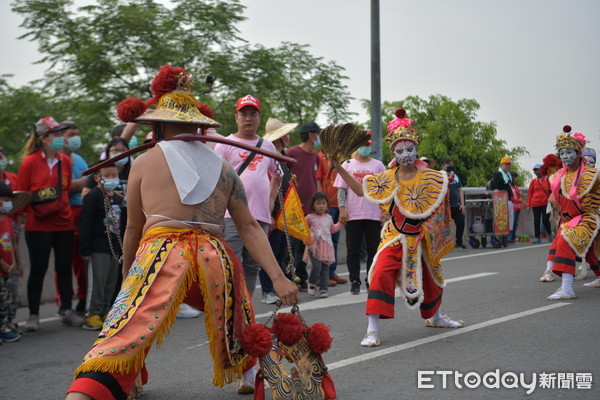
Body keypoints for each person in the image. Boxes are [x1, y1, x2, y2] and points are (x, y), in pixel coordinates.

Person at [66, 66, 299, 400]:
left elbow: (133, 227)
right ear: (199, 124)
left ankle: (88, 392)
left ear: (159, 124)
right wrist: (278, 277)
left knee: (130, 322)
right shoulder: (224, 167)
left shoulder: (145, 162)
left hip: (161, 254)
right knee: (241, 316)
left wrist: (129, 273)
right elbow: (248, 226)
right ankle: (252, 374)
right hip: (214, 257)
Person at [331, 109, 463, 348]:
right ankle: (372, 329)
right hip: (395, 235)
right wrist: (338, 168)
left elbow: (439, 212)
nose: (405, 154)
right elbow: (361, 190)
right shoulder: (388, 176)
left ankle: (437, 317)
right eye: (400, 150)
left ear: (416, 149)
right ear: (393, 153)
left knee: (434, 277)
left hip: (422, 237)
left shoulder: (432, 177)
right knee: (380, 273)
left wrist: (430, 231)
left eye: (409, 149)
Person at [18, 117, 83, 331]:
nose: (59, 138)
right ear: (44, 138)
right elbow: (23, 194)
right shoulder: (29, 162)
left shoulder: (65, 161)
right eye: (56, 134)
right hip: (38, 225)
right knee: (38, 268)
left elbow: (66, 187)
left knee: (64, 268)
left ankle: (66, 309)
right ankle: (33, 315)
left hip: (63, 223)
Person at [214, 95, 283, 296]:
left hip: (259, 215)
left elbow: (277, 175)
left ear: (259, 118)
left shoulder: (268, 146)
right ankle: (231, 307)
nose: (248, 119)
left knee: (253, 265)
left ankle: (247, 308)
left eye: (253, 114)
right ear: (236, 117)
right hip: (231, 216)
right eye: (243, 114)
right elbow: (217, 181)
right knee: (231, 264)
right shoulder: (224, 144)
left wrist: (271, 201)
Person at [542, 126, 600, 300]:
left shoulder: (593, 175)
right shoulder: (559, 176)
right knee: (588, 252)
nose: (565, 156)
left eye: (569, 152)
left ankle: (567, 288)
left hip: (588, 218)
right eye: (563, 153)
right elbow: (553, 199)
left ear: (577, 153)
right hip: (568, 220)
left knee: (566, 239)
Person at [333, 137, 385, 294]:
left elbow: (384, 190)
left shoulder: (378, 165)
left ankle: (371, 280)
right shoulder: (347, 165)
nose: (365, 147)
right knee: (353, 250)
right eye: (361, 144)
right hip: (353, 214)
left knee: (373, 250)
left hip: (373, 213)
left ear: (371, 145)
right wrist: (342, 209)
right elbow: (342, 189)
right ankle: (354, 281)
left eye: (367, 144)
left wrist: (384, 210)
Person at [78, 162, 123, 330]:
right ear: (97, 178)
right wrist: (85, 248)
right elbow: (86, 224)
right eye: (107, 176)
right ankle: (92, 314)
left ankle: (105, 310)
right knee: (97, 281)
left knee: (110, 281)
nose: (111, 179)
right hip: (98, 247)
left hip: (114, 248)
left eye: (114, 175)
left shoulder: (118, 198)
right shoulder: (93, 197)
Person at [259, 117, 297, 304]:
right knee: (270, 253)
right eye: (286, 135)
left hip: (284, 213)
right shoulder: (268, 157)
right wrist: (269, 215)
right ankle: (267, 290)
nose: (289, 138)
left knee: (280, 251)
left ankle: (279, 286)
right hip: (272, 212)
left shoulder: (281, 157)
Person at [286, 121, 323, 289]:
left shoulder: (315, 155)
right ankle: (288, 276)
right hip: (295, 208)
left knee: (305, 246)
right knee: (291, 245)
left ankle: (301, 277)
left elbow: (316, 179)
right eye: (318, 133)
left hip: (311, 209)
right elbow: (284, 179)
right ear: (311, 134)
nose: (319, 137)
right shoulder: (292, 153)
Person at [59, 121, 89, 313]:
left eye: (77, 134)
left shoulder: (79, 159)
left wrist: (76, 184)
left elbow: (88, 182)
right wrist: (78, 183)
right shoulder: (56, 160)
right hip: (63, 212)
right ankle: (63, 300)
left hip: (81, 211)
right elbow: (64, 187)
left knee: (81, 258)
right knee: (63, 260)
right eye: (71, 134)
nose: (75, 138)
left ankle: (83, 297)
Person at [0, 146, 23, 332]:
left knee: (8, 296)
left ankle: (8, 324)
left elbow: (14, 242)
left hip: (10, 267)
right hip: (2, 267)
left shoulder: (8, 220)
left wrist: (16, 262)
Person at [304, 192, 344, 298]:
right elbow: (304, 230)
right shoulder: (309, 218)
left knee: (325, 269)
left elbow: (333, 229)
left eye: (323, 203)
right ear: (313, 205)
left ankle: (323, 289)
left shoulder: (329, 217)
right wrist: (310, 235)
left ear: (327, 205)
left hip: (327, 246)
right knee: (316, 267)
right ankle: (312, 282)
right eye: (318, 203)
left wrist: (341, 223)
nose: (321, 206)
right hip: (314, 247)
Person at [316, 150, 346, 284]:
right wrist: (321, 202)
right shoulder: (321, 156)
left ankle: (331, 272)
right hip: (326, 205)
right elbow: (318, 179)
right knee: (323, 241)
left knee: (334, 240)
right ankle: (320, 275)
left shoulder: (342, 157)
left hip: (338, 204)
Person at [440, 157, 466, 249]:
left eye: (451, 164)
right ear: (443, 165)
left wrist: (462, 204)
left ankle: (459, 242)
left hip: (456, 205)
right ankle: (443, 244)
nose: (451, 166)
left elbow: (460, 190)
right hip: (444, 206)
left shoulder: (455, 175)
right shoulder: (439, 175)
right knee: (444, 225)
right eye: (449, 165)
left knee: (461, 222)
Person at [490, 156, 514, 246]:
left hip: (509, 200)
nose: (508, 166)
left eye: (509, 164)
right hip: (502, 202)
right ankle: (502, 237)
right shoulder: (498, 175)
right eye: (506, 164)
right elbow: (495, 189)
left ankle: (507, 237)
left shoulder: (508, 175)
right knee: (503, 220)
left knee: (509, 220)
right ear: (501, 165)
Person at [526, 164, 552, 245]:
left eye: (537, 170)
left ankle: (550, 234)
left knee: (545, 220)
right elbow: (530, 193)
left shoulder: (547, 180)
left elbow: (551, 191)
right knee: (536, 221)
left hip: (545, 203)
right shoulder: (533, 182)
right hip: (535, 204)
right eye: (534, 170)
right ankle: (537, 237)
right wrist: (528, 205)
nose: (536, 172)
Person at [507, 171, 524, 242]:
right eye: (516, 177)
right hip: (513, 206)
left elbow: (519, 195)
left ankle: (513, 236)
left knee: (515, 222)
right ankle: (509, 237)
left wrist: (521, 195)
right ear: (513, 178)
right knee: (511, 222)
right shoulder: (509, 187)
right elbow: (510, 197)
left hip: (518, 207)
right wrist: (518, 200)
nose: (517, 179)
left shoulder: (515, 186)